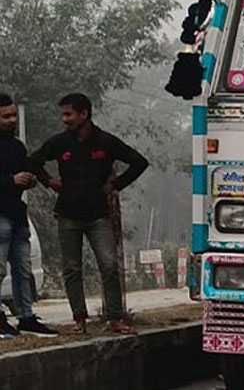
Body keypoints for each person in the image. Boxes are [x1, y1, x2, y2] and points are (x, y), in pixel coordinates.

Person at [29, 93, 148, 335]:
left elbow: (139, 162)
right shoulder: (60, 143)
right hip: (67, 214)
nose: (65, 119)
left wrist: (115, 185)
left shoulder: (105, 142)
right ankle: (79, 319)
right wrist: (48, 181)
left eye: (69, 114)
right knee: (72, 268)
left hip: (98, 215)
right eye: (63, 114)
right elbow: (33, 161)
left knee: (109, 265)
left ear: (84, 114)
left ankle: (114, 318)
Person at [0, 94, 58, 338]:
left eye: (13, 115)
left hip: (17, 215)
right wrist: (10, 180)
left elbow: (24, 170)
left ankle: (26, 316)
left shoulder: (17, 146)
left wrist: (28, 181)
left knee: (23, 270)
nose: (11, 120)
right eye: (5, 116)